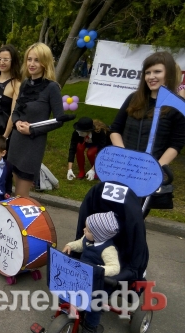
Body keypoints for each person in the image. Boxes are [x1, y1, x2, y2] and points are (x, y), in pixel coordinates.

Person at [110, 51, 185, 215]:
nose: (151, 76)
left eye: (157, 71)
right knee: (109, 217)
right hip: (121, 169)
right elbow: (115, 129)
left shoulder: (177, 107)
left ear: (169, 74)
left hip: (147, 176)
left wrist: (155, 168)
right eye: (148, 72)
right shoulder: (133, 98)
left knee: (132, 221)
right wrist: (122, 156)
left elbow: (176, 144)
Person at [7, 42, 64, 197]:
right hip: (16, 142)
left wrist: (32, 129)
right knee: (13, 193)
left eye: (37, 60)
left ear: (45, 62)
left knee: (21, 196)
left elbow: (59, 119)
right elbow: (16, 112)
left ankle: (22, 221)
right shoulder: (25, 83)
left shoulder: (52, 88)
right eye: (29, 59)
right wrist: (17, 122)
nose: (32, 64)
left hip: (33, 145)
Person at [63, 211, 120, 333]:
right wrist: (70, 246)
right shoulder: (88, 238)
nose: (84, 230)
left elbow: (115, 267)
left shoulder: (108, 249)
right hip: (83, 275)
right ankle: (65, 311)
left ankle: (90, 326)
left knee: (95, 303)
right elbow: (80, 244)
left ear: (98, 235)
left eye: (87, 230)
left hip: (98, 281)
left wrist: (99, 270)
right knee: (65, 287)